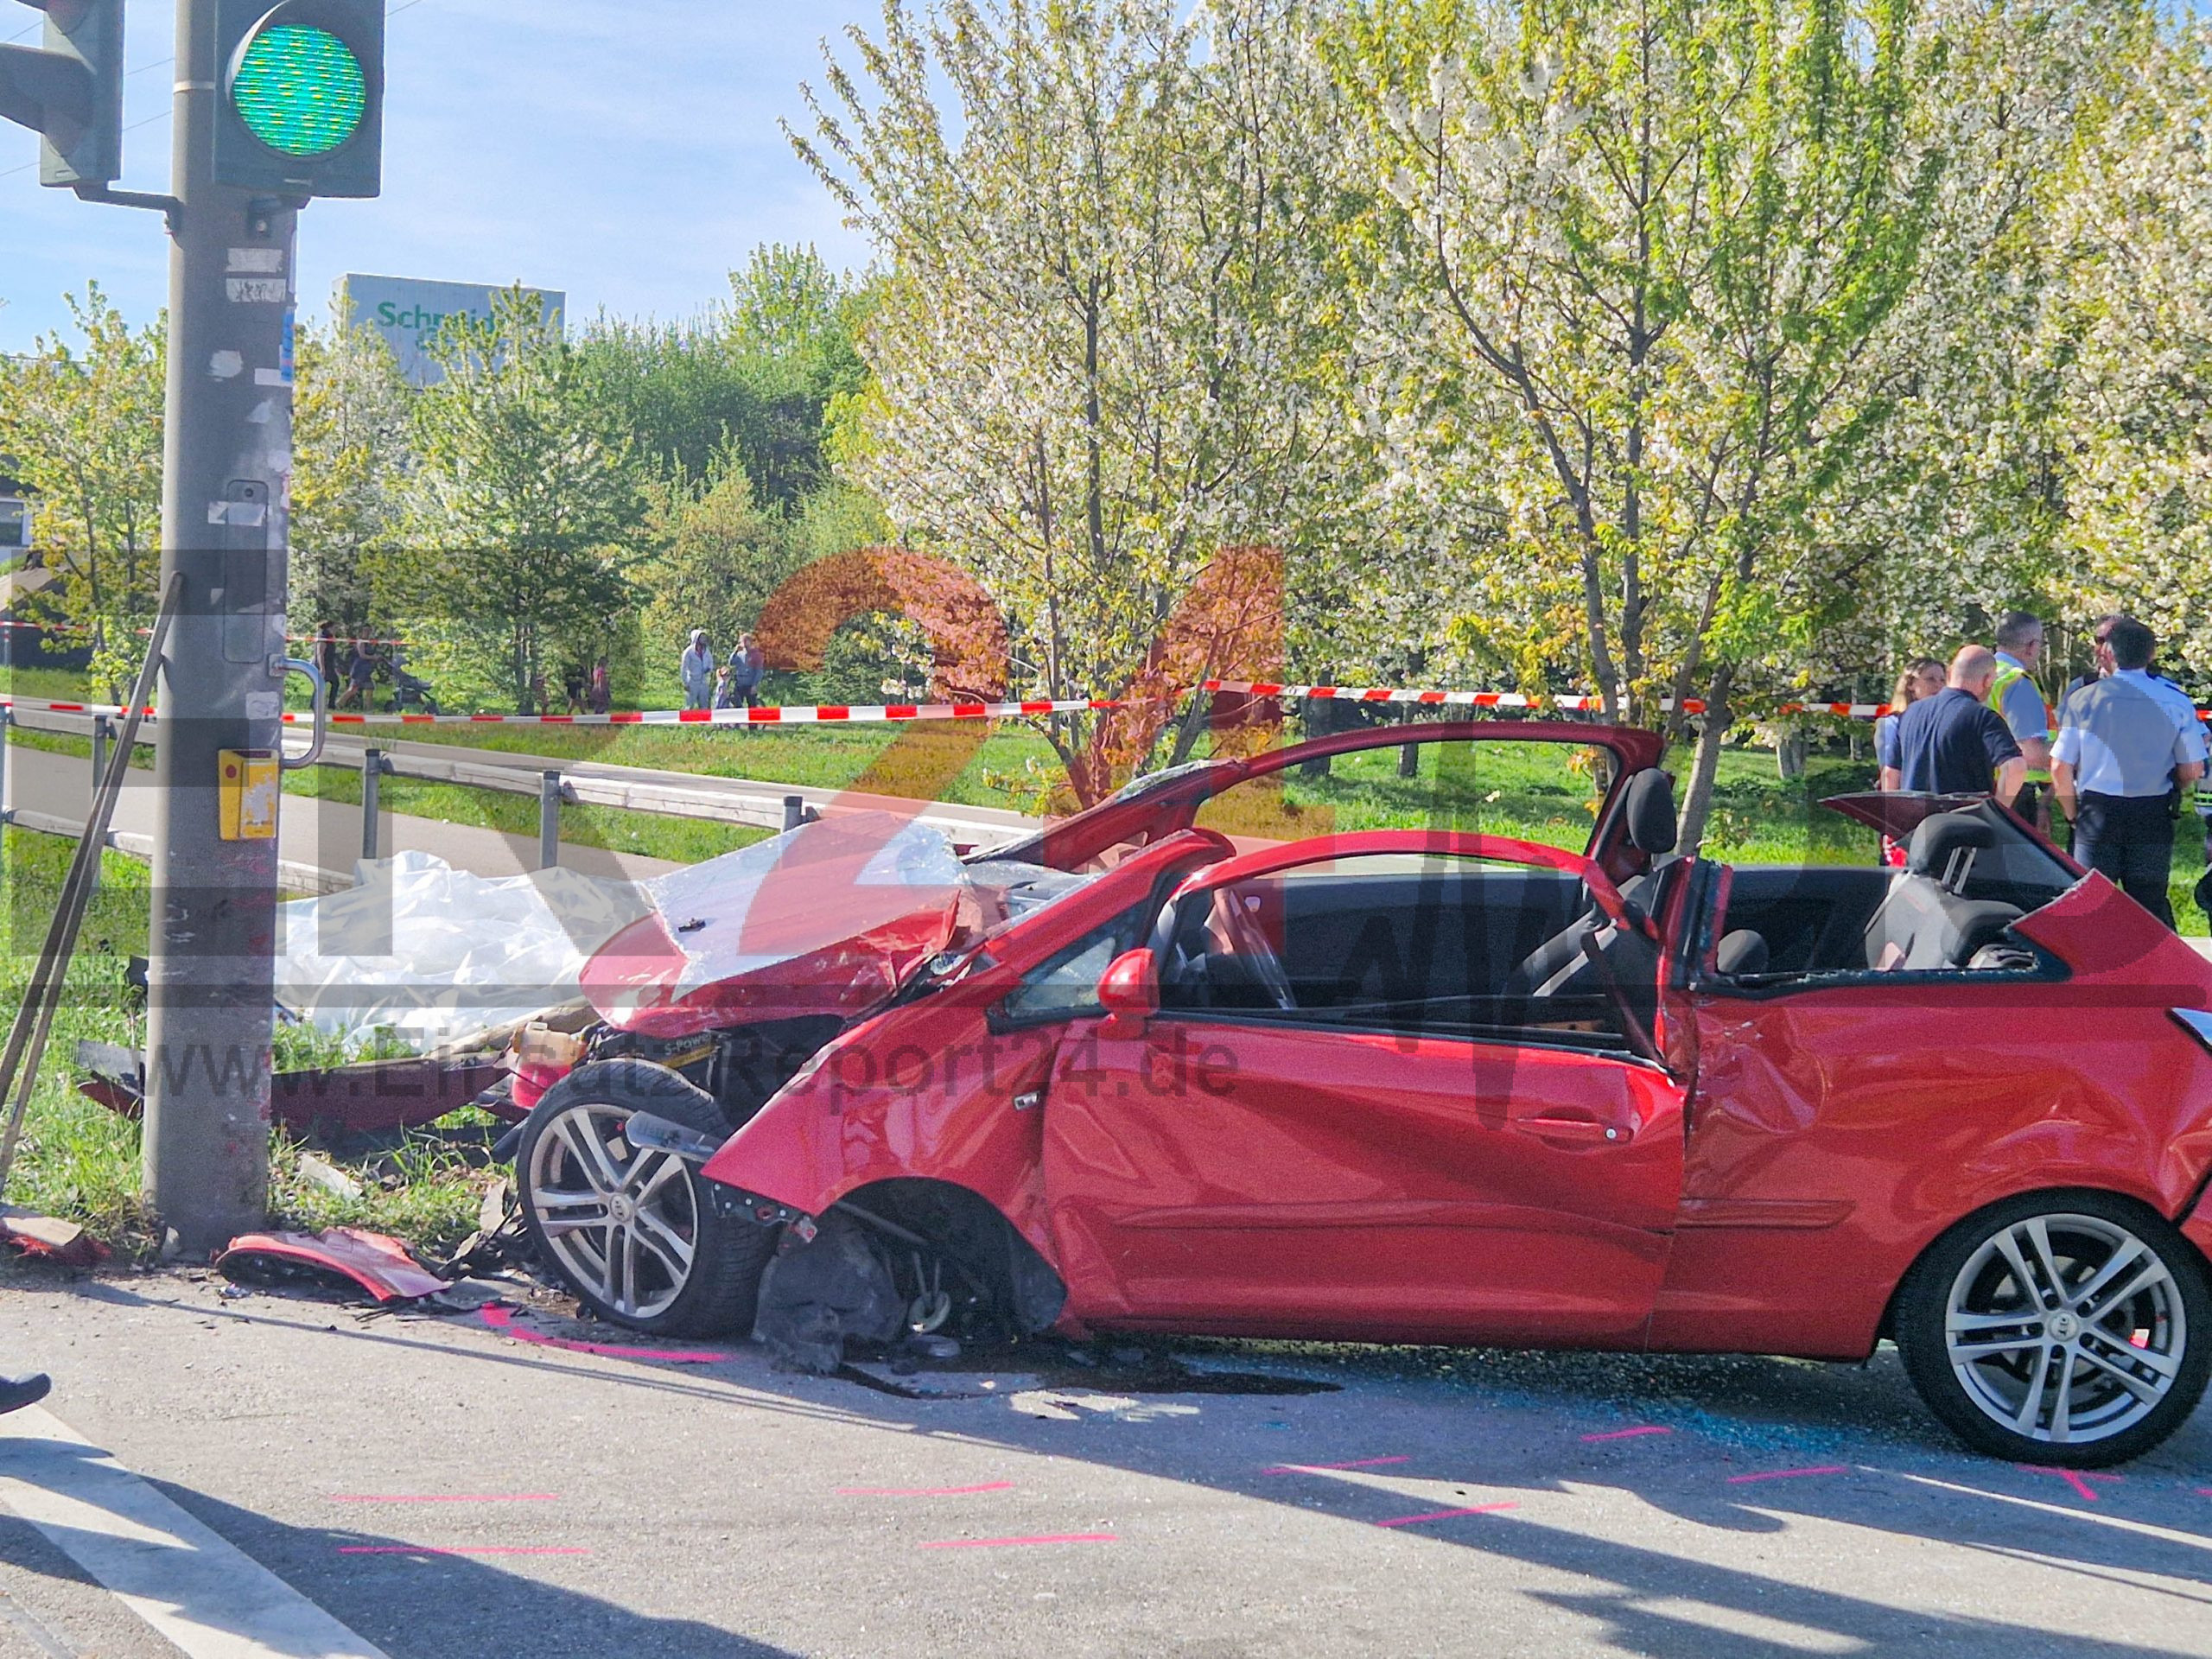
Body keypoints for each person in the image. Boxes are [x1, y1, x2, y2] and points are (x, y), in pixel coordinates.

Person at [2051, 617, 2208, 927]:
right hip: (2151, 813)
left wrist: (2072, 815)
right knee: (2148, 906)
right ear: (2151, 654)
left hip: (2097, 812)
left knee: (2089, 907)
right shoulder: (2174, 700)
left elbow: (2059, 766)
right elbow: (2193, 768)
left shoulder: (2084, 698)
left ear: (2110, 653)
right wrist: (2177, 783)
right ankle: (2150, 959)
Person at [1890, 645, 2027, 804]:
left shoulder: (1910, 713)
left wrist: (1895, 815)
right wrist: (1997, 812)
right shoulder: (1983, 718)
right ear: (1988, 679)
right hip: (1963, 817)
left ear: (1949, 674)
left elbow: (1891, 774)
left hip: (1914, 817)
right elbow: (2015, 767)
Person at [1987, 611, 2055, 830]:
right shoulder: (2017, 681)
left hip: (1985, 789)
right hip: (2015, 795)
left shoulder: (1981, 673)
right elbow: (2031, 751)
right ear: (2031, 646)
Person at [1877, 658, 1948, 791]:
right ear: (1910, 684)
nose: (1938, 685)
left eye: (1942, 680)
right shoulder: (1892, 723)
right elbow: (1890, 775)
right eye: (1930, 679)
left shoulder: (1946, 721)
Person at [721, 631, 766, 710]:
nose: (744, 643)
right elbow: (731, 662)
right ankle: (738, 718)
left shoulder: (756, 655)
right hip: (740, 683)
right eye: (742, 641)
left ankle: (753, 719)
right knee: (737, 705)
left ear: (750, 641)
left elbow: (759, 672)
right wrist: (735, 651)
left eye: (746, 640)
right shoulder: (739, 654)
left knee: (752, 706)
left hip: (750, 684)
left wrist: (754, 685)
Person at [680, 629, 716, 711]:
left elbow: (710, 661)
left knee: (704, 705)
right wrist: (685, 683)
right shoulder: (688, 652)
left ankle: (704, 719)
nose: (704, 639)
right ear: (696, 638)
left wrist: (709, 669)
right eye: (701, 637)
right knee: (689, 705)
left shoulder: (706, 651)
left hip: (704, 681)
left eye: (704, 637)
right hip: (692, 681)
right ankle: (687, 719)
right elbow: (684, 668)